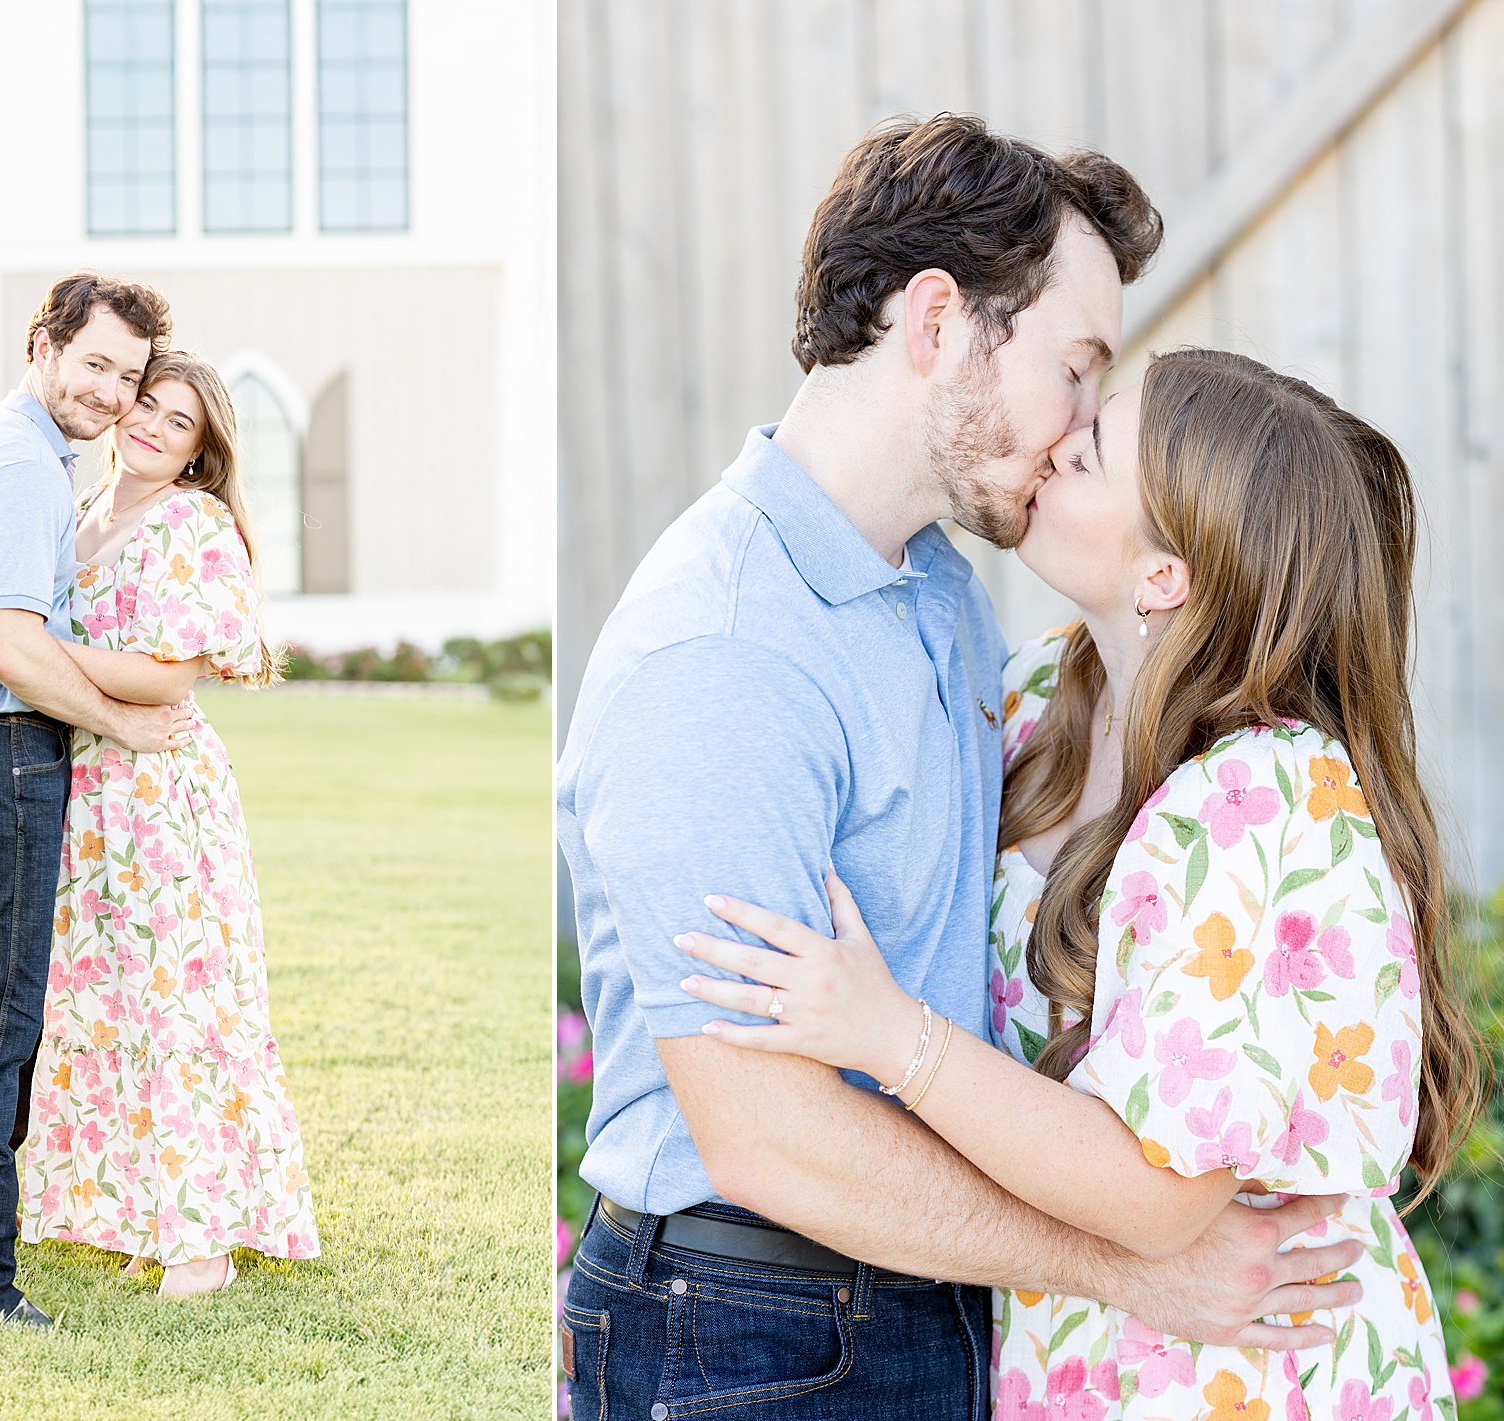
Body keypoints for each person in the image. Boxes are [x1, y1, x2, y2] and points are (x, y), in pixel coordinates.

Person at [556, 116, 1365, 1419]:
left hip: (918, 1296)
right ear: (938, 324)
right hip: (747, 1329)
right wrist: (1130, 1265)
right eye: (1078, 371)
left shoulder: (946, 596)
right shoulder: (720, 651)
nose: (1087, 427)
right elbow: (767, 1136)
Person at [678, 347, 1488, 1416]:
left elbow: (1159, 1199)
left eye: (1095, 446)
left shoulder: (1262, 799)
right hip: (1070, 1344)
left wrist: (889, 1035)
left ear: (1164, 574)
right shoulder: (1036, 698)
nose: (1060, 436)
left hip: (1244, 1366)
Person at [0, 350, 321, 1296]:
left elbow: (168, 676)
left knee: (182, 1001)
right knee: (105, 999)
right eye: (148, 405)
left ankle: (204, 1237)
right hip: (85, 786)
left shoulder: (191, 521)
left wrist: (36, 648)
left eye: (178, 423)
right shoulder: (80, 510)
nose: (151, 426)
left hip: (161, 791)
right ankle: (142, 1210)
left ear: (195, 452)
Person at [0, 270, 185, 1325]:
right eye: (97, 363)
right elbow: (11, 643)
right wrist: (123, 720)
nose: (113, 393)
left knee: (0, 1011)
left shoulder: (21, 452)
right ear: (44, 346)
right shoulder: (23, 467)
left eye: (129, 375)